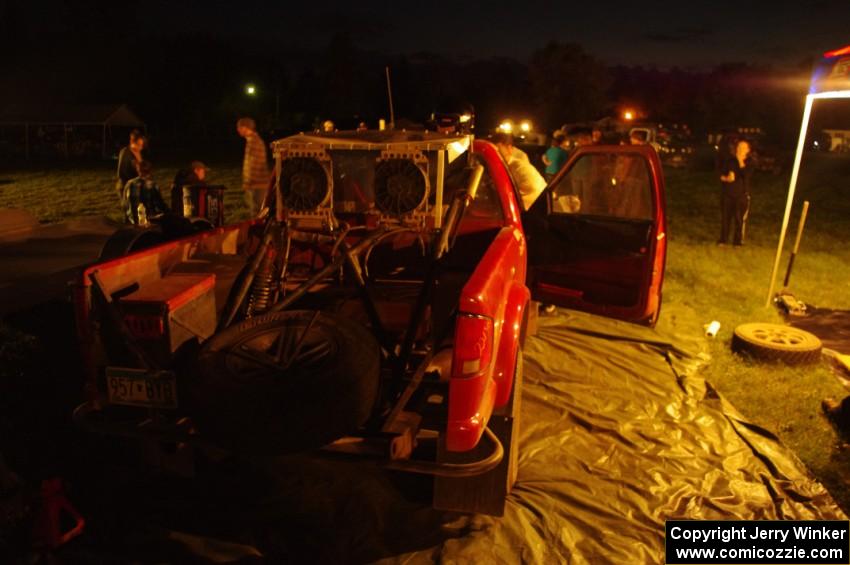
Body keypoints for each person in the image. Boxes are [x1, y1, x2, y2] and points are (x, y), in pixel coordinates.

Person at [493, 132, 546, 210]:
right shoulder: (504, 165)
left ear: (509, 148)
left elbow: (532, 188)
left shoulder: (520, 166)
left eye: (498, 149)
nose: (495, 152)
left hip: (534, 210)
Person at [718, 139, 753, 246]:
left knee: (739, 220)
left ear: (747, 150)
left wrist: (740, 160)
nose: (740, 149)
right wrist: (726, 178)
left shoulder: (750, 162)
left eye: (743, 147)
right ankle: (723, 240)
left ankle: (737, 242)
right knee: (725, 219)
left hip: (741, 196)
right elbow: (721, 175)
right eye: (739, 147)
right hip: (728, 195)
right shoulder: (730, 161)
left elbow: (745, 175)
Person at [236, 117, 271, 217]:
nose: (238, 130)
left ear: (246, 128)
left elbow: (255, 165)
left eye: (239, 127)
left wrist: (248, 182)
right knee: (256, 211)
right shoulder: (251, 141)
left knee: (258, 213)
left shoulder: (254, 142)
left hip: (257, 185)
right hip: (255, 184)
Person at [123, 160, 168, 225]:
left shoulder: (129, 184)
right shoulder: (152, 185)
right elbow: (160, 206)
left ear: (138, 171)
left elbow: (125, 204)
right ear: (150, 171)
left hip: (132, 221)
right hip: (149, 221)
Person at [116, 129, 146, 200]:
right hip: (126, 186)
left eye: (142, 145)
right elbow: (122, 173)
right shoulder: (125, 153)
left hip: (137, 186)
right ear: (132, 142)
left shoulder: (138, 152)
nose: (141, 147)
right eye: (139, 145)